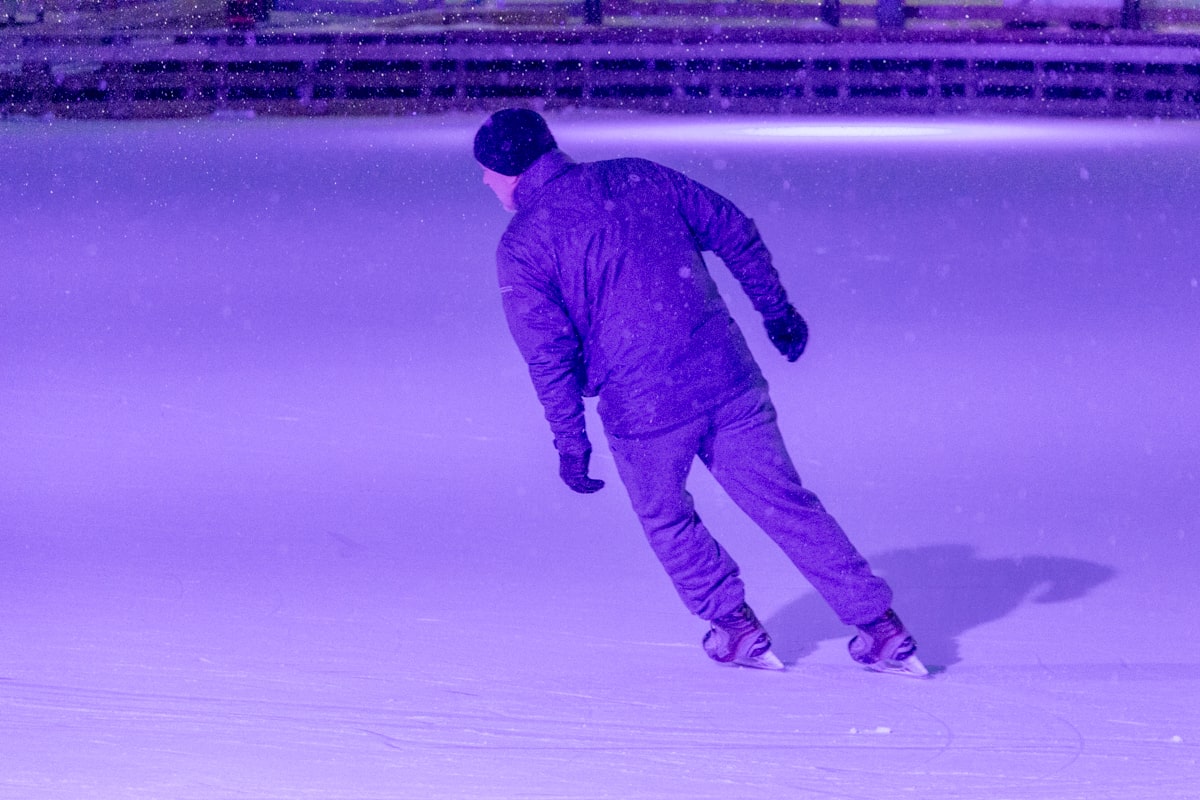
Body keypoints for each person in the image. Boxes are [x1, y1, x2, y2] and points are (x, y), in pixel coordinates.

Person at [474, 108, 926, 677]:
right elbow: (733, 228)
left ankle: (735, 628)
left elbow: (548, 354)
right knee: (784, 503)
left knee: (665, 516)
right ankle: (880, 629)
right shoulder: (640, 176)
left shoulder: (522, 245)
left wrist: (570, 441)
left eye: (487, 173)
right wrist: (777, 311)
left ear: (509, 170)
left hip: (645, 408)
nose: (486, 184)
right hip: (726, 378)